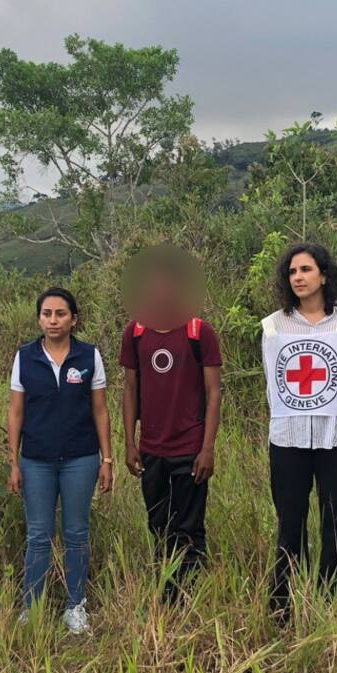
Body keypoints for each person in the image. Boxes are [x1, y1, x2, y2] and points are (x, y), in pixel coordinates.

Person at [261, 243, 337, 620]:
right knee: (289, 521)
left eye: (306, 270)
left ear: (324, 275)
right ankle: (283, 604)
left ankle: (328, 601)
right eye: (293, 272)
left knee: (335, 520)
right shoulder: (274, 325)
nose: (299, 278)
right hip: (287, 438)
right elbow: (273, 383)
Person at [120, 244, 222, 604]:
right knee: (157, 522)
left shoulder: (199, 331)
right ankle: (167, 587)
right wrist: (130, 443)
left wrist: (207, 447)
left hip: (190, 446)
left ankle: (189, 595)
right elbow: (130, 387)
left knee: (189, 525)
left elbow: (213, 393)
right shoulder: (135, 332)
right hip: (151, 448)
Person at [7, 288, 113, 634]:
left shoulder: (89, 356)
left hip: (80, 459)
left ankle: (75, 606)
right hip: (36, 460)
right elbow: (16, 411)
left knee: (77, 534)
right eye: (47, 314)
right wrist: (14, 461)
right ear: (39, 318)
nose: (53, 320)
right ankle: (32, 608)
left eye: (61, 314)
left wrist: (107, 458)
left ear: (74, 319)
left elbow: (100, 409)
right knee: (38, 535)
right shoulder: (24, 357)